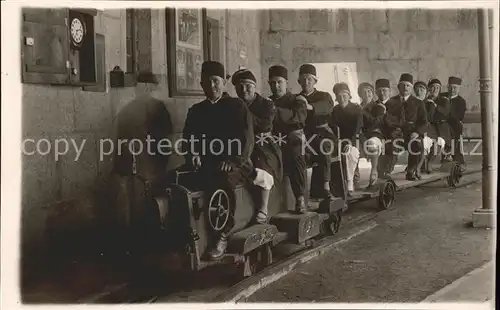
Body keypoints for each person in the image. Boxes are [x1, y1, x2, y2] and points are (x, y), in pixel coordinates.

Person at [182, 61, 254, 260]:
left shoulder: (236, 106)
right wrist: (192, 154)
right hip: (207, 163)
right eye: (206, 82)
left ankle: (222, 234)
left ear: (224, 83)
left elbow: (247, 140)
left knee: (222, 180)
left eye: (215, 81)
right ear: (201, 84)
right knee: (175, 180)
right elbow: (189, 138)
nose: (211, 86)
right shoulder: (196, 111)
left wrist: (233, 161)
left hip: (236, 164)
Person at [231, 68, 283, 224]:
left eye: (248, 85)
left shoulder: (266, 104)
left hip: (263, 144)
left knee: (262, 167)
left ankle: (263, 207)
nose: (244, 90)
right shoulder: (234, 105)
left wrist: (244, 113)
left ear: (254, 87)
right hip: (240, 143)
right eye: (239, 86)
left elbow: (265, 125)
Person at [268, 65, 308, 213]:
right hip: (272, 140)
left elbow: (298, 117)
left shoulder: (297, 100)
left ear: (286, 83)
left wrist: (274, 111)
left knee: (294, 152)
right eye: (272, 83)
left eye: (279, 82)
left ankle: (299, 198)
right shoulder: (267, 101)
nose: (276, 86)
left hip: (294, 140)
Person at [298, 64, 337, 200]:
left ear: (315, 81)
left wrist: (308, 106)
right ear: (299, 82)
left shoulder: (324, 96)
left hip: (323, 134)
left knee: (324, 146)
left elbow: (326, 108)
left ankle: (325, 187)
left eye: (309, 79)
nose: (306, 82)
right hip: (304, 136)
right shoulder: (296, 98)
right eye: (303, 79)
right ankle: (300, 194)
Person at [330, 83, 362, 196]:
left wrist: (351, 142)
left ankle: (349, 182)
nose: (342, 98)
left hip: (355, 140)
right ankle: (335, 184)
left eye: (344, 95)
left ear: (349, 96)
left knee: (349, 153)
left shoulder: (356, 109)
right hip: (339, 141)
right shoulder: (335, 110)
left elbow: (358, 129)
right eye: (339, 96)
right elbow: (332, 128)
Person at [396, 73, 428, 180]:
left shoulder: (418, 103)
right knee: (385, 146)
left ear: (411, 88)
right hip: (395, 133)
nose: (405, 88)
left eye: (408, 86)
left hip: (411, 133)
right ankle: (384, 173)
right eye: (403, 85)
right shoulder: (391, 102)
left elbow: (424, 122)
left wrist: (417, 132)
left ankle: (410, 170)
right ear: (398, 87)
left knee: (416, 145)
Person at [376, 78, 405, 179]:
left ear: (389, 91)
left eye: (384, 90)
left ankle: (387, 170)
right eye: (379, 90)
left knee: (392, 144)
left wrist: (385, 115)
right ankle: (379, 171)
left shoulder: (397, 105)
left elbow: (400, 122)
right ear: (376, 92)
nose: (382, 93)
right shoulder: (374, 105)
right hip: (378, 134)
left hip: (394, 134)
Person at [358, 82, 385, 186]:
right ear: (360, 94)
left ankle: (374, 170)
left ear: (373, 93)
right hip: (361, 136)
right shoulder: (358, 107)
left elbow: (375, 123)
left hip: (375, 135)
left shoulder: (379, 106)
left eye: (369, 91)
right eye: (363, 92)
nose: (367, 94)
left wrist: (362, 112)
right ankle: (355, 174)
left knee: (372, 143)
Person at [424, 78, 453, 172]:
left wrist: (435, 106)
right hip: (430, 126)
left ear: (440, 89)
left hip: (441, 126)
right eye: (432, 87)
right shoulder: (425, 101)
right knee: (425, 142)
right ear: (429, 89)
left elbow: (446, 112)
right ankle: (421, 162)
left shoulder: (444, 100)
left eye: (437, 87)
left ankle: (430, 162)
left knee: (440, 142)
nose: (435, 89)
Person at [444, 76, 467, 171]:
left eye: (455, 88)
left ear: (459, 89)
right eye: (450, 87)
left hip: (454, 126)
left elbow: (458, 117)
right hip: (441, 124)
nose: (452, 90)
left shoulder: (461, 101)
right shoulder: (442, 96)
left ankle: (459, 161)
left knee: (455, 137)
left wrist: (445, 113)